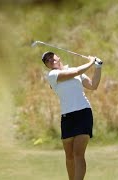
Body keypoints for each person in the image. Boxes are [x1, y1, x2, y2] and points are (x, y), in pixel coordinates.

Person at [41, 51, 102, 180]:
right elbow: (74, 73)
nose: (50, 60)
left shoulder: (76, 71)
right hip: (67, 117)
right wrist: (91, 62)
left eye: (52, 57)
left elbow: (93, 85)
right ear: (47, 66)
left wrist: (98, 67)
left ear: (58, 57)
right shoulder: (52, 75)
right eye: (47, 60)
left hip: (83, 113)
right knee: (69, 155)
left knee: (78, 154)